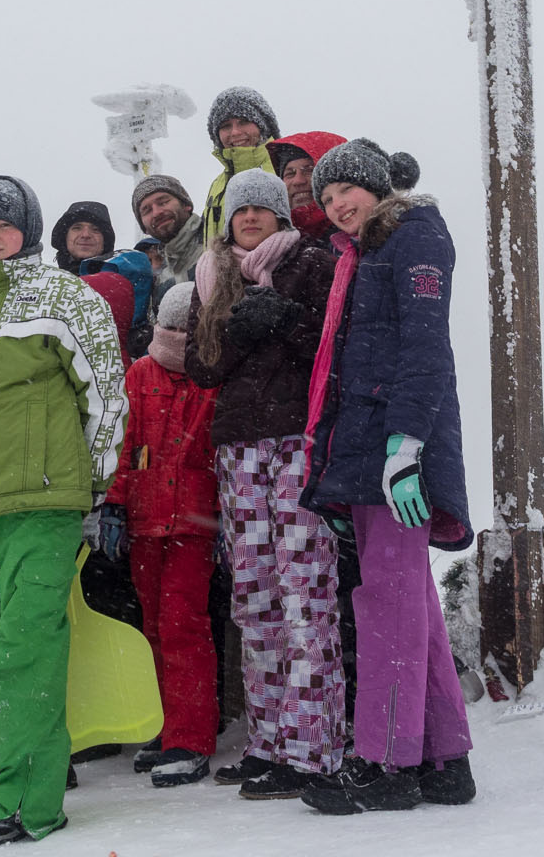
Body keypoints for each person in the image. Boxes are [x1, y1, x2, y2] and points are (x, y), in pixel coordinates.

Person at [0, 175, 127, 846]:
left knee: (25, 648)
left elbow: (105, 394)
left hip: (42, 501)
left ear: (28, 232)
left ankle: (26, 800)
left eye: (3, 226)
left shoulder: (66, 297)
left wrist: (94, 484)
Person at [299, 141, 477, 814]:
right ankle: (444, 760)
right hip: (372, 450)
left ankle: (386, 763)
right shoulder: (370, 251)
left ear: (375, 186)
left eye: (346, 188)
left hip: (398, 454)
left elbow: (426, 350)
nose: (338, 204)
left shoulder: (413, 239)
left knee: (388, 608)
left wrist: (406, 449)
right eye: (326, 198)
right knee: (411, 606)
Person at [186, 170, 345, 800]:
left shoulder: (313, 263)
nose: (249, 216)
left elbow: (334, 346)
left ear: (281, 213)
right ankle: (269, 741)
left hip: (300, 441)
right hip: (237, 449)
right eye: (239, 208)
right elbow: (201, 369)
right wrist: (237, 329)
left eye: (261, 207)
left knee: (304, 589)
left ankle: (313, 745)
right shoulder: (213, 277)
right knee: (254, 595)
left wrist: (284, 320)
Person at [94, 282, 220, 787]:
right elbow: (125, 445)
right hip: (146, 524)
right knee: (153, 627)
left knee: (183, 625)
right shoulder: (139, 375)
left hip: (194, 524)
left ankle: (191, 738)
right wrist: (116, 503)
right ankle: (167, 728)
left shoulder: (213, 379)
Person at [198, 86, 281, 245]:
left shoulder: (283, 169)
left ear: (263, 125)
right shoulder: (217, 184)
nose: (235, 132)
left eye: (243, 122)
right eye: (225, 126)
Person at [268, 131, 347, 246]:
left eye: (309, 170)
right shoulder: (269, 243)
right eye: (290, 173)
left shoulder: (362, 239)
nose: (298, 181)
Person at [131, 174, 205, 285]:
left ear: (186, 204)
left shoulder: (217, 240)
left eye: (163, 202)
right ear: (143, 227)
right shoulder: (158, 283)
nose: (156, 213)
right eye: (147, 210)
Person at [50, 200, 115, 272]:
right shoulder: (44, 281)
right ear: (65, 237)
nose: (85, 235)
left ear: (105, 241)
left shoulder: (124, 280)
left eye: (95, 229)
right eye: (77, 228)